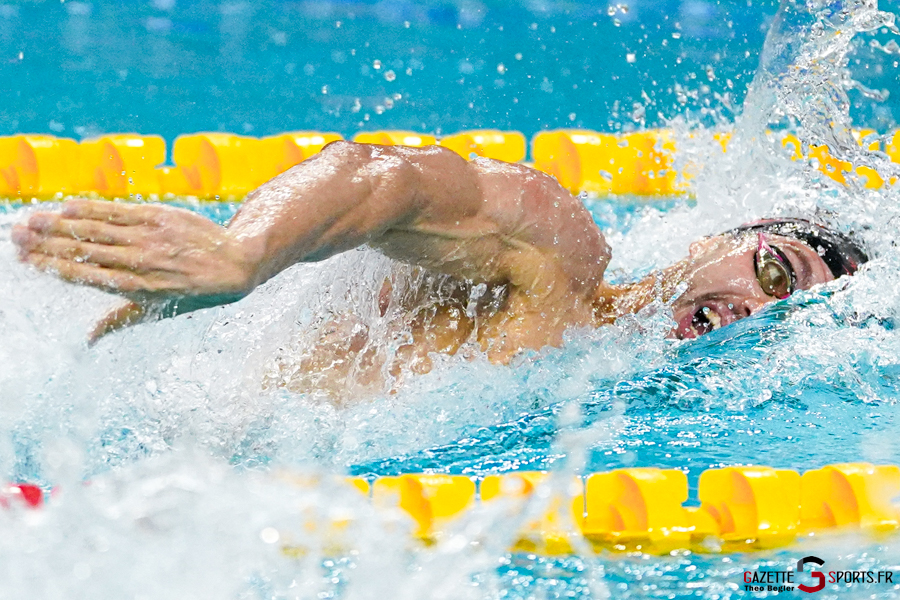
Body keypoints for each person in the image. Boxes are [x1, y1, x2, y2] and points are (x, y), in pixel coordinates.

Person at [10, 141, 868, 377]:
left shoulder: (626, 402)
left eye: (786, 319)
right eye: (773, 274)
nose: (756, 313)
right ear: (715, 239)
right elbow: (386, 176)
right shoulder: (561, 259)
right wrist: (245, 254)